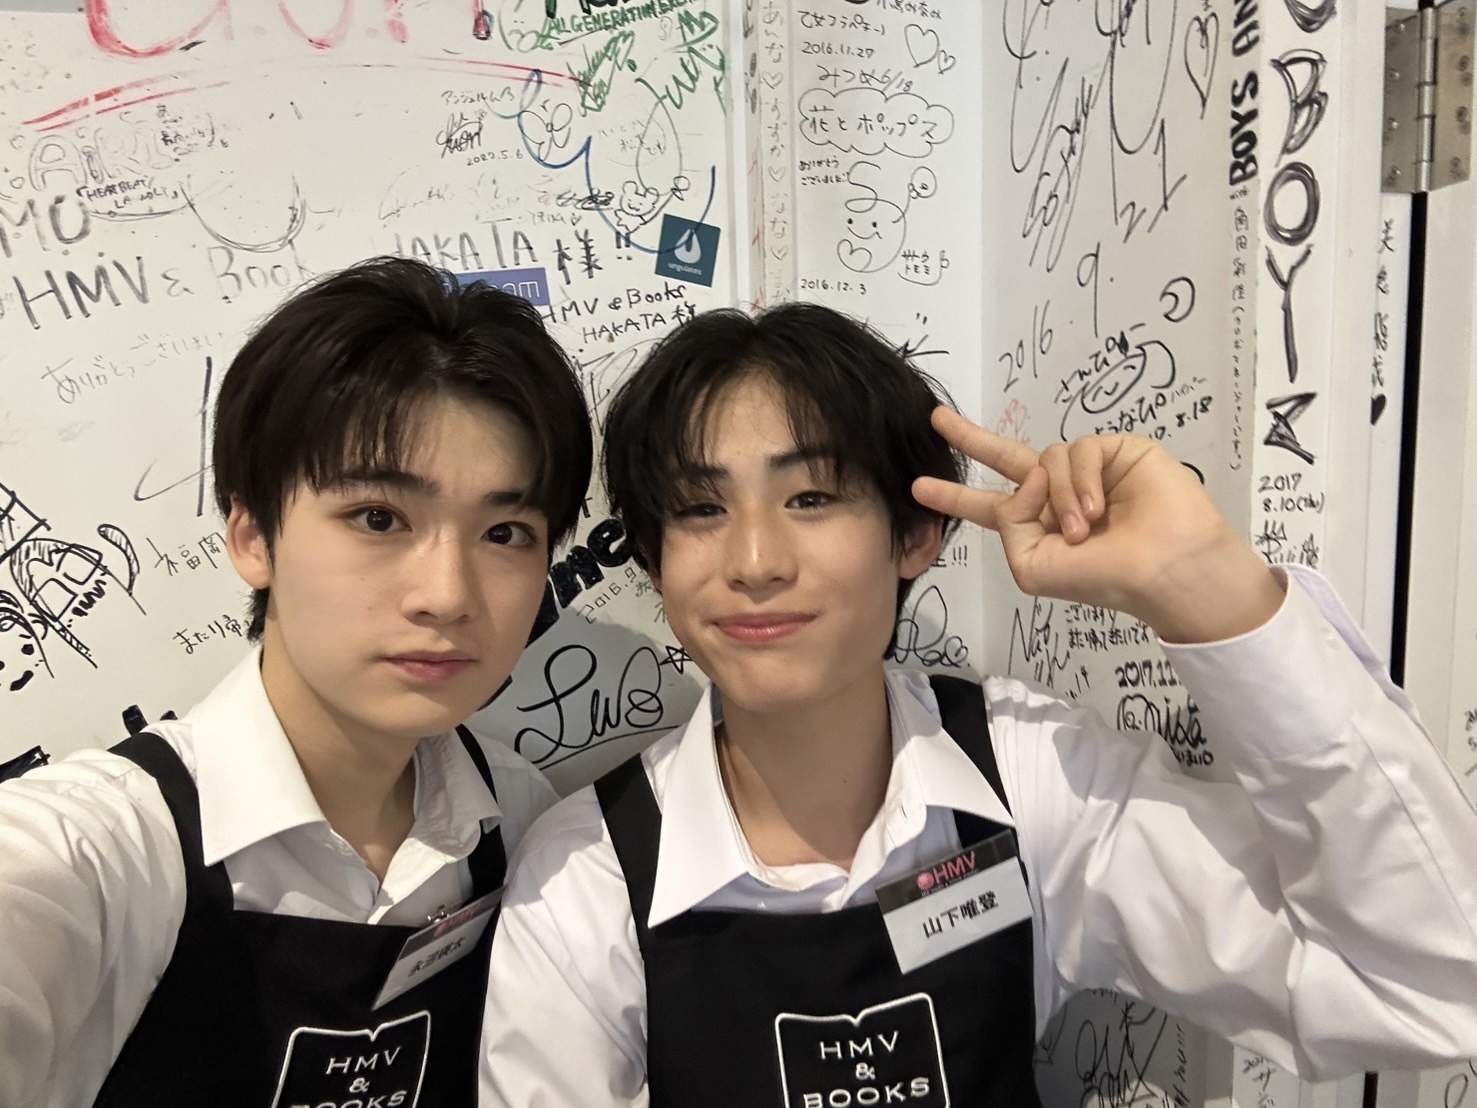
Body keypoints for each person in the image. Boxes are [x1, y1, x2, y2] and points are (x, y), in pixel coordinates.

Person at [480, 302, 1477, 1106]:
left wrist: (1208, 591)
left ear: (916, 534)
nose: (753, 561)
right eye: (700, 509)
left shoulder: (1032, 777)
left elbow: (1423, 985)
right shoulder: (583, 878)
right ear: (655, 561)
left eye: (811, 497)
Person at [0, 256, 593, 1107]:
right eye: (378, 518)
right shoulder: (91, 853)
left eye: (504, 533)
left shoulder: (521, 816)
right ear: (252, 537)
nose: (447, 596)